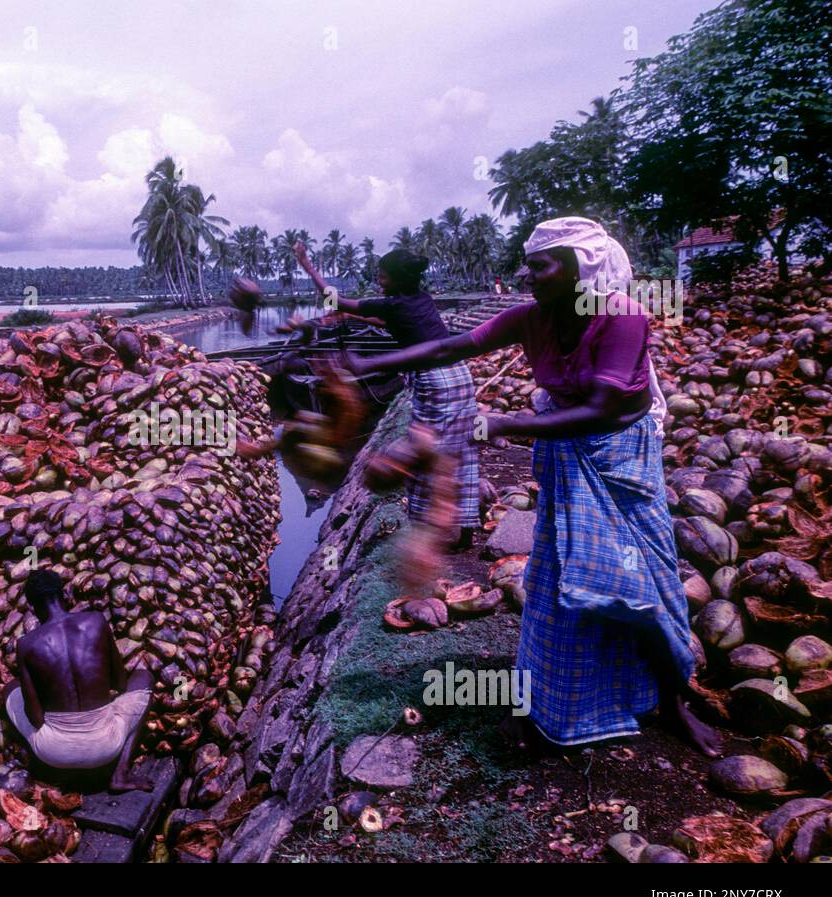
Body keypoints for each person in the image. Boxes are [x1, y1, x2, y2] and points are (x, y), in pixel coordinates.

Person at [344, 216, 718, 756]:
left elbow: (600, 409)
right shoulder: (532, 318)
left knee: (647, 590)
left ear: (577, 268)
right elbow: (450, 348)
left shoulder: (621, 316)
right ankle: (536, 703)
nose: (527, 274)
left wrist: (503, 423)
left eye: (539, 265)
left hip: (620, 462)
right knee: (552, 586)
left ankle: (671, 704)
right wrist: (372, 362)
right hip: (569, 465)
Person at [295, 240, 480, 548]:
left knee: (424, 453)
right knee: (459, 451)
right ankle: (465, 533)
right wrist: (354, 317)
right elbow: (383, 319)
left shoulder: (393, 304)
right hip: (459, 377)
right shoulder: (420, 299)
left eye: (382, 276)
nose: (378, 281)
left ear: (395, 278)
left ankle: (425, 533)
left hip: (433, 383)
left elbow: (335, 299)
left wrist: (307, 265)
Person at [1, 569, 154, 792]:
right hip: (107, 744)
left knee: (9, 689)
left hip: (54, 752)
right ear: (65, 596)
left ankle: (40, 770)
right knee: (145, 678)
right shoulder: (96, 621)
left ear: (32, 608)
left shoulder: (26, 644)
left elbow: (35, 719)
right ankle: (121, 773)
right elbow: (120, 684)